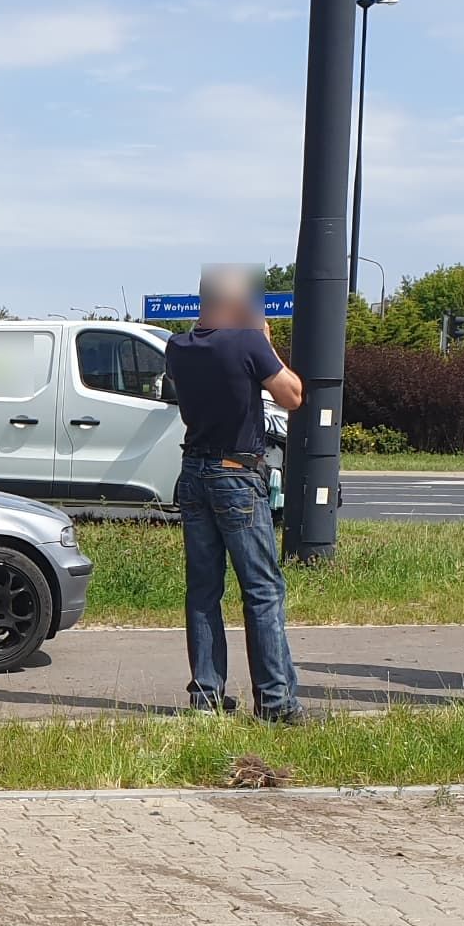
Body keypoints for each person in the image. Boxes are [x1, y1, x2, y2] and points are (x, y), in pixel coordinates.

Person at [164, 267, 308, 723]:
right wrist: (265, 343)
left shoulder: (178, 346)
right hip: (237, 472)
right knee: (262, 589)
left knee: (203, 590)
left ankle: (206, 695)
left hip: (193, 471)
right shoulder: (247, 342)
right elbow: (292, 396)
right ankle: (275, 701)